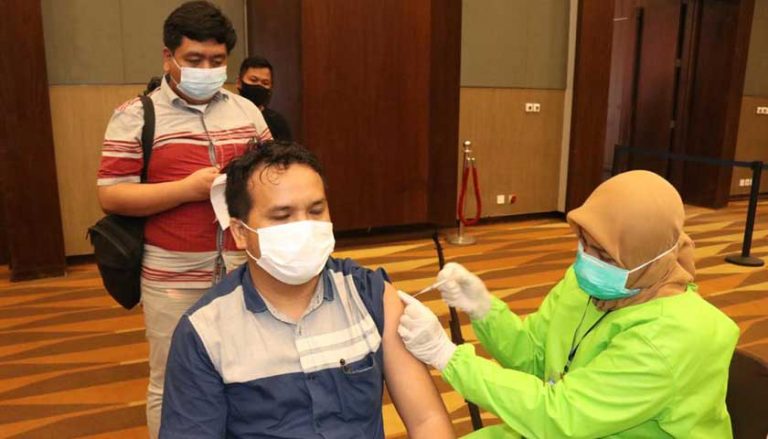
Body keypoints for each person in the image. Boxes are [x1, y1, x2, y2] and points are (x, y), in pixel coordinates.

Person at [397, 171, 740, 438]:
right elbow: (535, 355)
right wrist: (485, 310)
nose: (586, 260)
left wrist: (447, 356)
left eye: (604, 254)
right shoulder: (589, 284)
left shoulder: (669, 340)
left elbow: (560, 416)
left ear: (648, 261)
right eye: (583, 241)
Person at [160, 142, 455, 438]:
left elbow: (426, 420)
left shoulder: (371, 296)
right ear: (240, 233)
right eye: (282, 216)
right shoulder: (205, 331)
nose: (304, 228)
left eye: (316, 211)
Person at [96, 2, 271, 436]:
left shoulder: (247, 112)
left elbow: (272, 178)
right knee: (172, 379)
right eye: (194, 59)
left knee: (246, 369)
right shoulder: (136, 116)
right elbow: (112, 195)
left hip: (243, 268)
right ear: (168, 57)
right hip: (171, 275)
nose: (206, 69)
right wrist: (187, 190)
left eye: (216, 60)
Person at [237, 55, 292, 141]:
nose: (259, 85)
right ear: (239, 82)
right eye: (253, 80)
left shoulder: (278, 123)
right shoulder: (226, 116)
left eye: (265, 83)